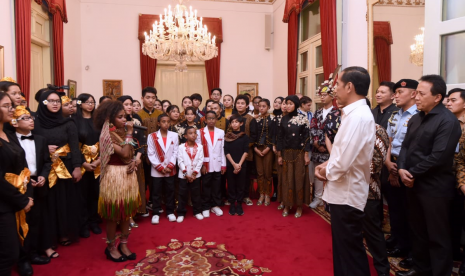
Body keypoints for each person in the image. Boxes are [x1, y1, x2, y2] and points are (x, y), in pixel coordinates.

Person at [396, 75, 461, 276]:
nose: (416, 98)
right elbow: (405, 147)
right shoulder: (416, 118)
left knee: (437, 236)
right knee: (418, 231)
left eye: (421, 94)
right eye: (416, 93)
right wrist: (401, 168)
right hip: (412, 183)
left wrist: (412, 173)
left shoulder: (448, 121)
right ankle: (422, 269)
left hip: (435, 187)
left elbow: (439, 156)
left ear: (437, 97)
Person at [315, 66, 375, 276]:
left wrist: (323, 172)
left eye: (337, 86)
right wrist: (328, 164)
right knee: (345, 250)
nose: (335, 91)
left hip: (347, 194)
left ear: (349, 87)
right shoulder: (353, 114)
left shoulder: (358, 117)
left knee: (350, 252)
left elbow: (341, 164)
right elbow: (343, 154)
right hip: (344, 191)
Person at [33, 90, 83, 249]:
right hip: (45, 168)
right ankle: (49, 237)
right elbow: (29, 144)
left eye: (57, 101)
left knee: (64, 201)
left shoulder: (68, 123)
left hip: (66, 167)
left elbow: (75, 147)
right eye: (50, 101)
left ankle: (64, 233)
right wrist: (43, 147)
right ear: (43, 103)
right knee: (48, 202)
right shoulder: (36, 122)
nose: (55, 104)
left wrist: (77, 167)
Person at [93, 100, 140, 262]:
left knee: (126, 213)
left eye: (125, 116)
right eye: (120, 117)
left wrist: (135, 161)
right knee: (114, 215)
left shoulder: (120, 131)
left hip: (127, 176)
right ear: (109, 118)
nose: (124, 120)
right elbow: (125, 153)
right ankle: (111, 247)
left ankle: (124, 244)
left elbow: (130, 155)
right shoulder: (107, 135)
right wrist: (129, 132)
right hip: (114, 177)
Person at [10, 106, 53, 267]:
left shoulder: (41, 139)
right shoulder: (10, 140)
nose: (31, 120)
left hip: (39, 183)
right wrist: (26, 180)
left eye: (31, 118)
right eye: (26, 118)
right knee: (21, 222)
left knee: (36, 220)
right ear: (14, 123)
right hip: (19, 185)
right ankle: (22, 258)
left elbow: (47, 161)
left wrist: (43, 175)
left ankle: (33, 252)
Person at [384, 79, 419, 266]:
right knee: (395, 208)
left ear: (413, 94)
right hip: (393, 163)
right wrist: (389, 164)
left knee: (411, 212)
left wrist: (400, 169)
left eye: (399, 92)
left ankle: (414, 251)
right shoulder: (395, 114)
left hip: (409, 168)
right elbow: (389, 141)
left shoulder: (419, 115)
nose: (395, 95)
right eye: (395, 92)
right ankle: (400, 243)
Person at [0, 92, 35, 276]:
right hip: (4, 203)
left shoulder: (8, 133)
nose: (11, 109)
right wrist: (21, 200)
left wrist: (28, 193)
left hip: (16, 198)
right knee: (7, 254)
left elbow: (23, 167)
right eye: (6, 106)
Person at [276, 95, 311, 218]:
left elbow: (307, 138)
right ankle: (286, 204)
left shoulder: (303, 118)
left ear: (296, 104)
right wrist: (279, 155)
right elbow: (279, 137)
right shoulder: (283, 119)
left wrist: (306, 155)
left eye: (290, 103)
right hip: (286, 153)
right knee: (287, 179)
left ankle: (299, 206)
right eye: (286, 103)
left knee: (298, 178)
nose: (287, 106)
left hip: (299, 153)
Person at [74, 94, 102, 238]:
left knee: (95, 194)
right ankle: (83, 224)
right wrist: (83, 163)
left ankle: (94, 221)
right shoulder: (74, 121)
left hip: (97, 162)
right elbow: (72, 145)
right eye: (87, 102)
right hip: (82, 163)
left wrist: (97, 161)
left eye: (92, 102)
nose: (90, 105)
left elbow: (104, 142)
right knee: (82, 195)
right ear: (80, 104)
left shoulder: (98, 121)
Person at [117, 96, 148, 225]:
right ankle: (123, 216)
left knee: (135, 188)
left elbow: (141, 141)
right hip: (121, 161)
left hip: (136, 160)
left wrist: (137, 159)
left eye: (131, 104)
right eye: (126, 104)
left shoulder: (136, 121)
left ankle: (132, 215)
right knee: (123, 191)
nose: (129, 107)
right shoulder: (115, 123)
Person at [309, 83, 340, 209]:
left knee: (331, 174)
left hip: (331, 149)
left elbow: (337, 131)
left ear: (332, 96)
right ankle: (318, 198)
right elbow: (313, 127)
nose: (322, 97)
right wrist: (316, 142)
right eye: (320, 95)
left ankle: (331, 200)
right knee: (318, 173)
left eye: (324, 95)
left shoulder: (337, 112)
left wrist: (328, 146)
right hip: (317, 148)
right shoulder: (317, 112)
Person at [446, 88, 465, 274]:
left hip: (460, 178)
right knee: (452, 218)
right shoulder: (449, 122)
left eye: (453, 100)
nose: (448, 103)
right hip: (451, 177)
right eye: (448, 100)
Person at [147, 114, 179, 225]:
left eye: (168, 121)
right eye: (163, 121)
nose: (166, 124)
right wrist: (160, 167)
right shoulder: (152, 136)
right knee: (156, 192)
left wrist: (170, 166)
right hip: (157, 170)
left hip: (170, 169)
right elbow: (151, 154)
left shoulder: (174, 135)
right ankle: (156, 213)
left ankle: (170, 211)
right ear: (158, 123)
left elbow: (175, 152)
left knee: (170, 191)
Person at [197, 111, 226, 217]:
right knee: (205, 186)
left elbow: (222, 149)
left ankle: (215, 205)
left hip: (217, 163)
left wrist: (223, 164)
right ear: (205, 119)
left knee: (216, 186)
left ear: (216, 119)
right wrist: (202, 165)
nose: (211, 120)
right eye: (209, 118)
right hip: (206, 164)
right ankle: (205, 206)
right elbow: (199, 150)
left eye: (213, 118)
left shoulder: (221, 132)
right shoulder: (199, 132)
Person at [230, 95, 257, 206]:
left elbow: (254, 136)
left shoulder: (251, 119)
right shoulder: (231, 118)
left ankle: (245, 196)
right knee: (233, 176)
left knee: (245, 176)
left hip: (247, 152)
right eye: (238, 103)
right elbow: (228, 134)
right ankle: (233, 196)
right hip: (232, 152)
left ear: (247, 105)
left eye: (242, 103)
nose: (240, 105)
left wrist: (244, 147)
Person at [176, 126, 204, 222]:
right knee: (182, 194)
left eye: (194, 133)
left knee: (196, 194)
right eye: (190, 133)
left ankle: (197, 212)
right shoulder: (181, 147)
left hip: (195, 176)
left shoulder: (200, 147)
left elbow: (200, 161)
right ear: (185, 136)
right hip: (184, 176)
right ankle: (181, 212)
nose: (193, 135)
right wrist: (186, 174)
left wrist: (194, 174)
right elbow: (180, 161)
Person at [224, 114, 249, 216]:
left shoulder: (245, 136)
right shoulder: (227, 136)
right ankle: (232, 204)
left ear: (241, 123)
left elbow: (246, 151)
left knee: (240, 185)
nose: (234, 124)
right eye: (232, 122)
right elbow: (226, 151)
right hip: (231, 165)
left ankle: (239, 204)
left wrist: (239, 165)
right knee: (231, 185)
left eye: (236, 122)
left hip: (242, 165)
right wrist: (234, 164)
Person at [252, 99, 275, 206]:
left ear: (268, 107)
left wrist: (269, 147)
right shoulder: (256, 119)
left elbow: (274, 135)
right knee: (260, 172)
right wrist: (255, 148)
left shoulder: (273, 119)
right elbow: (253, 135)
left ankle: (267, 194)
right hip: (257, 148)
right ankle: (261, 193)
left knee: (267, 172)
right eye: (259, 106)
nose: (261, 108)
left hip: (268, 148)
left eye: (264, 106)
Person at [271, 97, 284, 202]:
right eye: (275, 102)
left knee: (281, 171)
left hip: (282, 147)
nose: (277, 104)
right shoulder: (271, 115)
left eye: (280, 103)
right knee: (273, 172)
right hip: (272, 146)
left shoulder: (283, 117)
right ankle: (275, 191)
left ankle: (281, 192)